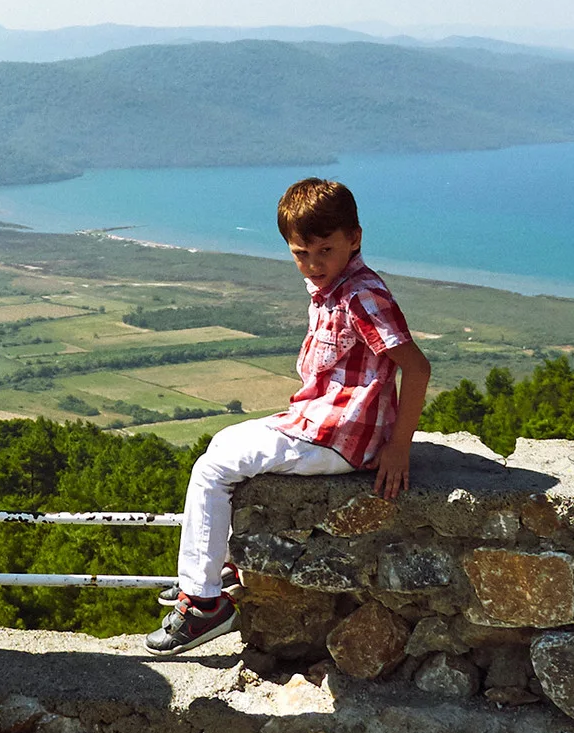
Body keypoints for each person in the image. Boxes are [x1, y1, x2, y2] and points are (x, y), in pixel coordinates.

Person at [148, 178, 430, 653]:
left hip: (340, 436)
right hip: (323, 422)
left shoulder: (362, 297)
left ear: (355, 239)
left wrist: (398, 449)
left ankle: (203, 603)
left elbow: (417, 369)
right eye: (302, 253)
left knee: (211, 470)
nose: (314, 264)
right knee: (222, 447)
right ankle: (218, 569)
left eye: (326, 249)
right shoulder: (334, 288)